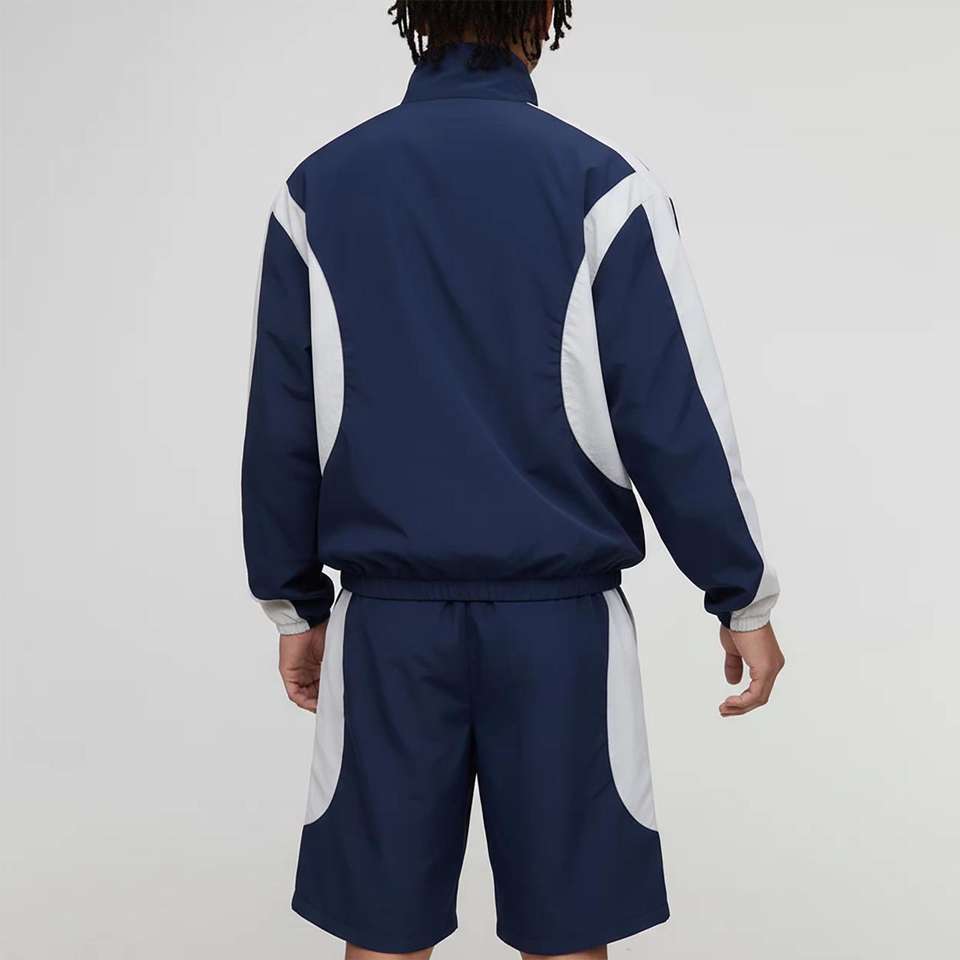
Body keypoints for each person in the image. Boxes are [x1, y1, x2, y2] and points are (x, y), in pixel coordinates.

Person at [241, 3, 786, 958]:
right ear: (545, 10)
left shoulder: (319, 189)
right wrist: (740, 594)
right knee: (569, 926)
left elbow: (281, 421)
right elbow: (673, 415)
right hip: (561, 627)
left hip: (390, 625)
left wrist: (295, 606)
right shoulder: (602, 186)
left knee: (381, 924)